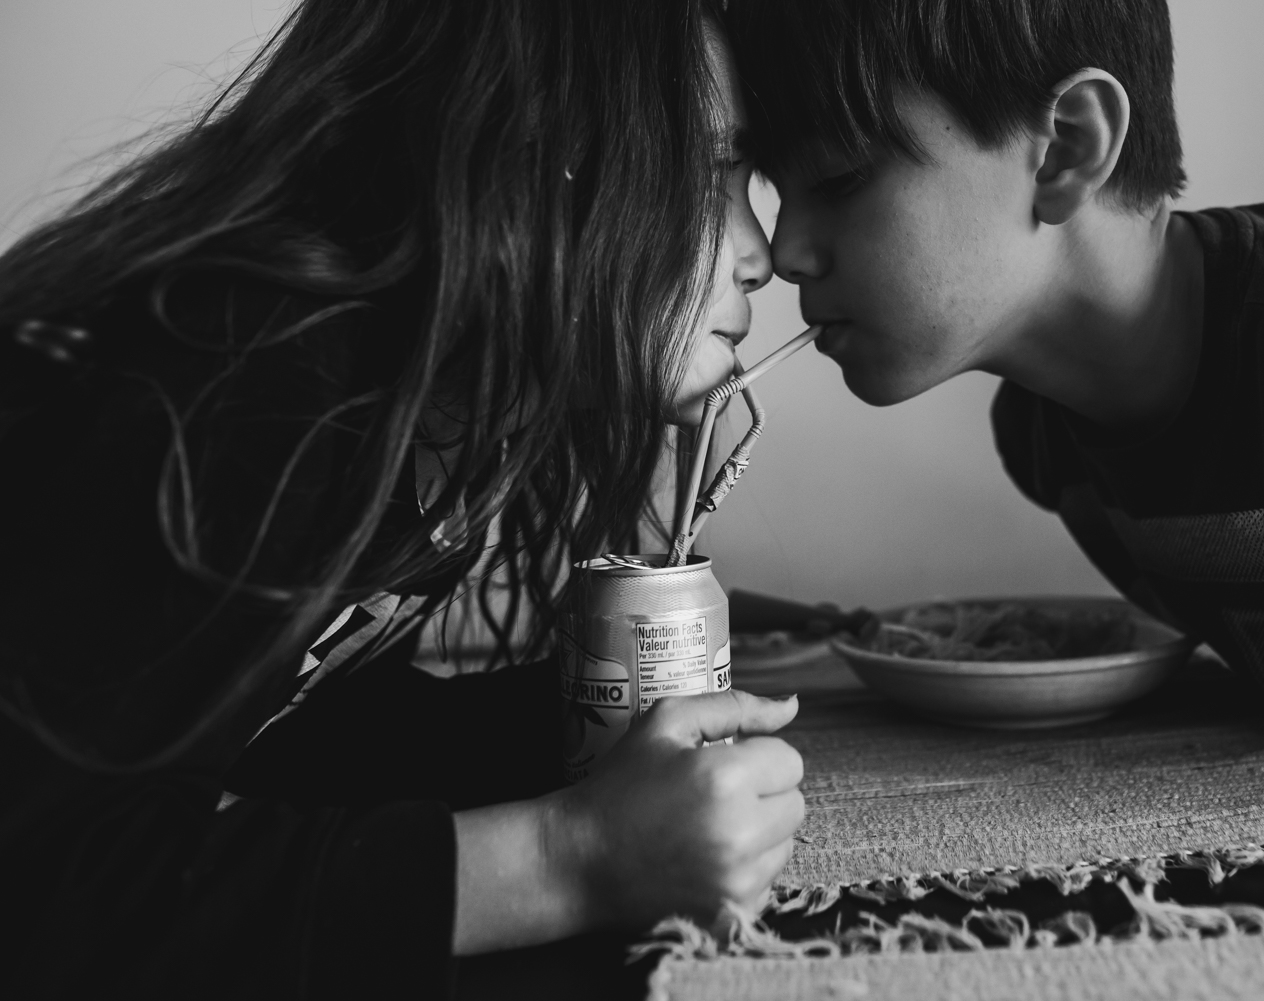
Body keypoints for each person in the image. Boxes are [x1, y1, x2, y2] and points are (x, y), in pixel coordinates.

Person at [0, 1, 805, 997]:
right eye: (711, 172)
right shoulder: (236, 394)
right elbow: (39, 890)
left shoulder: (419, 419)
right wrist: (570, 858)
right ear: (533, 160)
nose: (759, 252)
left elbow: (280, 738)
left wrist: (576, 721)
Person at [727, 0, 1264, 770]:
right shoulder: (1044, 442)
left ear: (1065, 149)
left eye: (839, 178)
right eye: (776, 193)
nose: (782, 250)